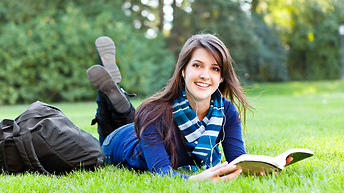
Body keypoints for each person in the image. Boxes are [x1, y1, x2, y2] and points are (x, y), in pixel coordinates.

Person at [86, 34, 253, 182]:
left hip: (142, 129)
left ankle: (115, 92)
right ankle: (109, 90)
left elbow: (238, 161)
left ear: (222, 77)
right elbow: (161, 172)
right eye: (197, 65)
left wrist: (266, 166)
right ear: (182, 70)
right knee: (106, 128)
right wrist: (195, 180)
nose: (205, 75)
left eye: (214, 68)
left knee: (136, 117)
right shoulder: (153, 113)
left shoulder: (226, 111)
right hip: (117, 141)